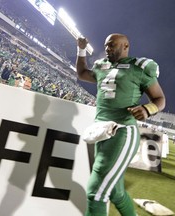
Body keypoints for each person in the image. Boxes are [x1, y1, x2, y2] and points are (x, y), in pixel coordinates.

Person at [76, 33, 165, 216]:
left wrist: (148, 109)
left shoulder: (139, 68)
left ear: (125, 46)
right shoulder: (102, 66)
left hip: (122, 133)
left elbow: (159, 98)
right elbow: (82, 73)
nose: (107, 49)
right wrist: (81, 49)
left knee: (96, 192)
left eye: (112, 45)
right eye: (106, 46)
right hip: (101, 132)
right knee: (116, 192)